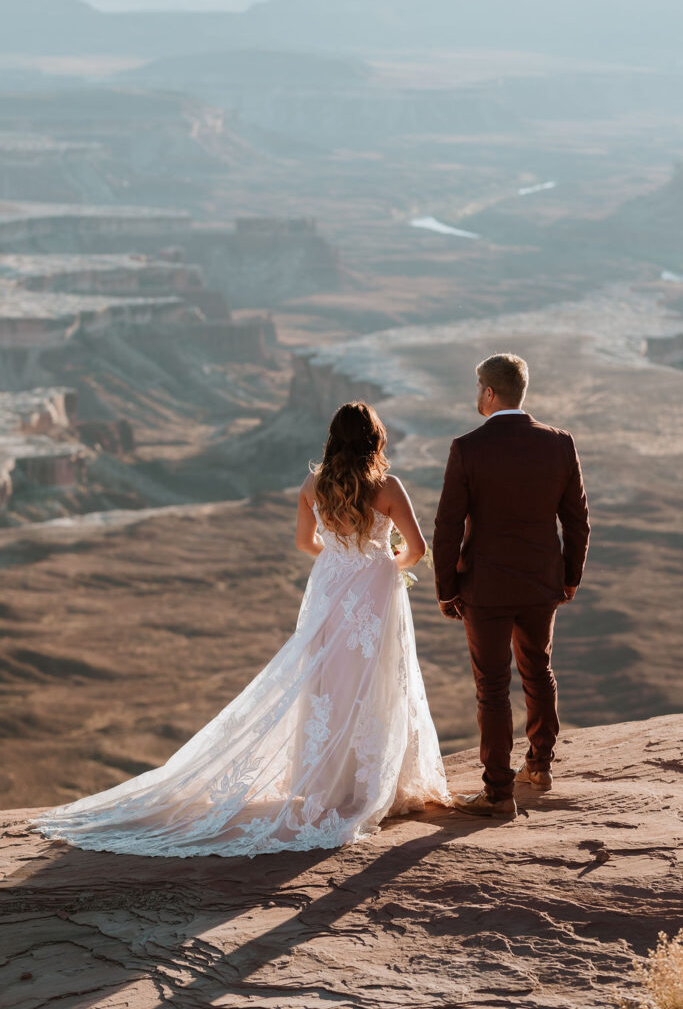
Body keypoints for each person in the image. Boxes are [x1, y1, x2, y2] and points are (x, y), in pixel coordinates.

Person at [32, 402, 451, 858]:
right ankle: (372, 783)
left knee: (326, 682)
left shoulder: (313, 485)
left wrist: (339, 560)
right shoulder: (386, 486)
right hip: (372, 593)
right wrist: (380, 565)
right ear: (375, 438)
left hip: (329, 590)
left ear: (333, 437)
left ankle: (330, 785)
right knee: (373, 680)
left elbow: (303, 543)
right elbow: (417, 548)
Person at [433, 353, 590, 819]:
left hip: (485, 587)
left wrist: (446, 588)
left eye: (477, 387)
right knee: (538, 670)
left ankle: (498, 793)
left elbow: (447, 525)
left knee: (493, 686)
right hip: (541, 582)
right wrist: (569, 578)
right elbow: (578, 521)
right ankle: (539, 765)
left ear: (488, 392)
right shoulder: (560, 443)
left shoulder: (468, 447)